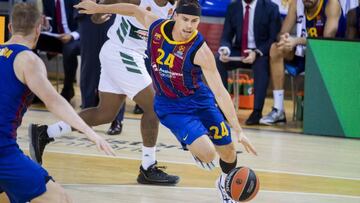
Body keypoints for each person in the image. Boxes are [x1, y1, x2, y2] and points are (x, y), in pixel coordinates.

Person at [75, 0, 257, 202]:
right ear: (175, 16)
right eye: (185, 19)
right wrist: (99, 8)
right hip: (172, 106)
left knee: (229, 151)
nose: (189, 25)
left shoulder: (201, 50)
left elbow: (221, 92)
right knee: (208, 154)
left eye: (194, 21)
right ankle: (193, 144)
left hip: (199, 100)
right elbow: (134, 9)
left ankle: (224, 185)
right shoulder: (157, 28)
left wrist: (237, 129)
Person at [29, 0, 180, 186]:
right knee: (154, 107)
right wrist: (98, 11)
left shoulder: (177, 5)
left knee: (105, 113)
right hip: (123, 53)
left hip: (125, 53)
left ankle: (45, 133)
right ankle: (148, 167)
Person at [0, 3, 115, 203]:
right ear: (38, 28)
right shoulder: (28, 59)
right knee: (60, 198)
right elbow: (55, 102)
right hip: (3, 151)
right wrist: (91, 133)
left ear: (10, 27)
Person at [259, 0, 344, 125]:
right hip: (305, 53)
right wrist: (285, 39)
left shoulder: (331, 4)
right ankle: (278, 110)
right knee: (276, 49)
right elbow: (282, 32)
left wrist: (297, 40)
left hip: (328, 58)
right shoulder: (296, 4)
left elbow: (327, 40)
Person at [217, 0, 281, 125]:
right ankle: (222, 108)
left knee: (261, 65)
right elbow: (226, 36)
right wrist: (225, 49)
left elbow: (273, 38)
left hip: (260, 52)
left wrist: (257, 52)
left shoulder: (271, 8)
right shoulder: (233, 7)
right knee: (218, 61)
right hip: (239, 50)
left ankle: (257, 112)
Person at [76, 0, 125, 135]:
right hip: (87, 16)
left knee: (115, 67)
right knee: (89, 68)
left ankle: (117, 118)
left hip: (114, 15)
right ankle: (86, 115)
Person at [36, 0, 81, 102]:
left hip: (78, 37)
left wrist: (71, 36)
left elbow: (86, 23)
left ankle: (68, 89)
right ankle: (37, 91)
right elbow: (50, 25)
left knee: (69, 48)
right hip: (59, 37)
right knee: (32, 42)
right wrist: (47, 26)